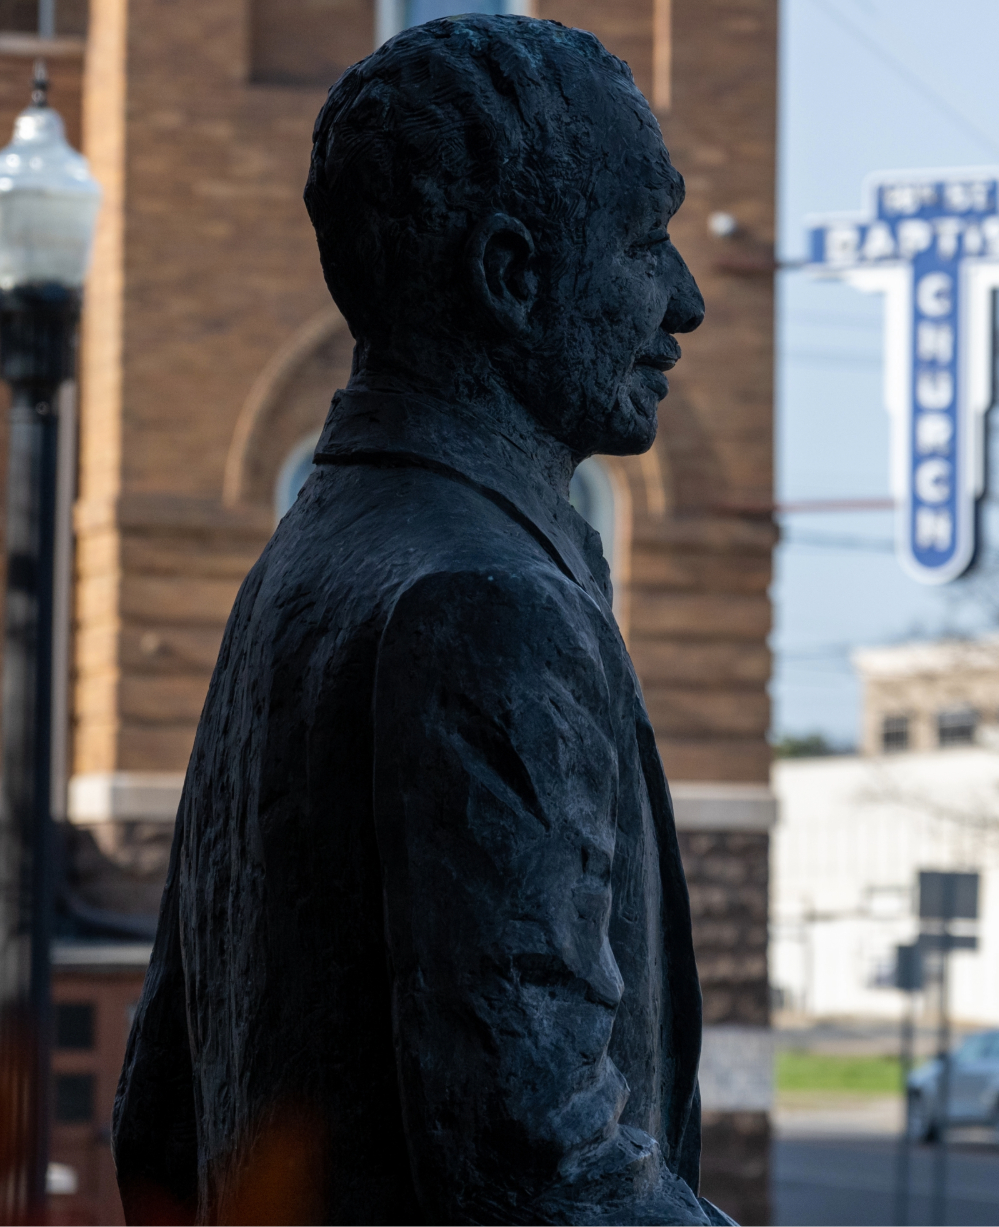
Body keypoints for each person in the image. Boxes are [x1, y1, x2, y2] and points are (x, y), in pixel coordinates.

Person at [111, 15, 724, 1223]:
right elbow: (544, 1176)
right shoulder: (489, 608)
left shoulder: (306, 562)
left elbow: (157, 1124)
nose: (687, 302)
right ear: (511, 275)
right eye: (645, 242)